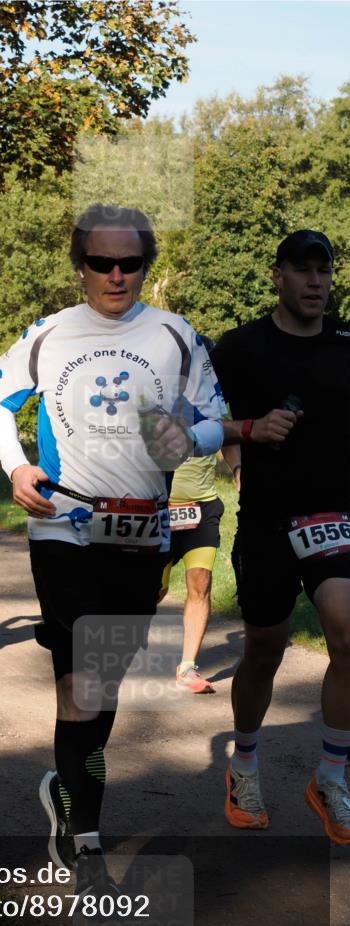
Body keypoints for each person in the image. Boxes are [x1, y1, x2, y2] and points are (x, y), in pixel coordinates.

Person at [0, 204, 226, 889]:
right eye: (101, 262)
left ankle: (66, 795)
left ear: (145, 265)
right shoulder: (50, 333)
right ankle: (87, 839)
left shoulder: (176, 336)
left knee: (93, 687)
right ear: (79, 265)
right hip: (65, 523)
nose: (116, 275)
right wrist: (15, 466)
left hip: (143, 529)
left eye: (130, 263)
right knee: (87, 668)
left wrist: (190, 440)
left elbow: (213, 419)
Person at [210, 230, 350, 845]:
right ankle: (243, 763)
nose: (317, 282)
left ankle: (331, 774)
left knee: (348, 632)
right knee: (265, 649)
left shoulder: (348, 344)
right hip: (267, 520)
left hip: (331, 517)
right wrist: (248, 429)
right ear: (278, 276)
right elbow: (189, 422)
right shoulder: (241, 348)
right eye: (303, 269)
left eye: (325, 270)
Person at [156, 335, 237, 694]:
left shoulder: (213, 403)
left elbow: (228, 436)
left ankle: (187, 666)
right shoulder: (155, 399)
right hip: (157, 510)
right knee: (149, 592)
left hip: (202, 506)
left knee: (200, 582)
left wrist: (238, 473)